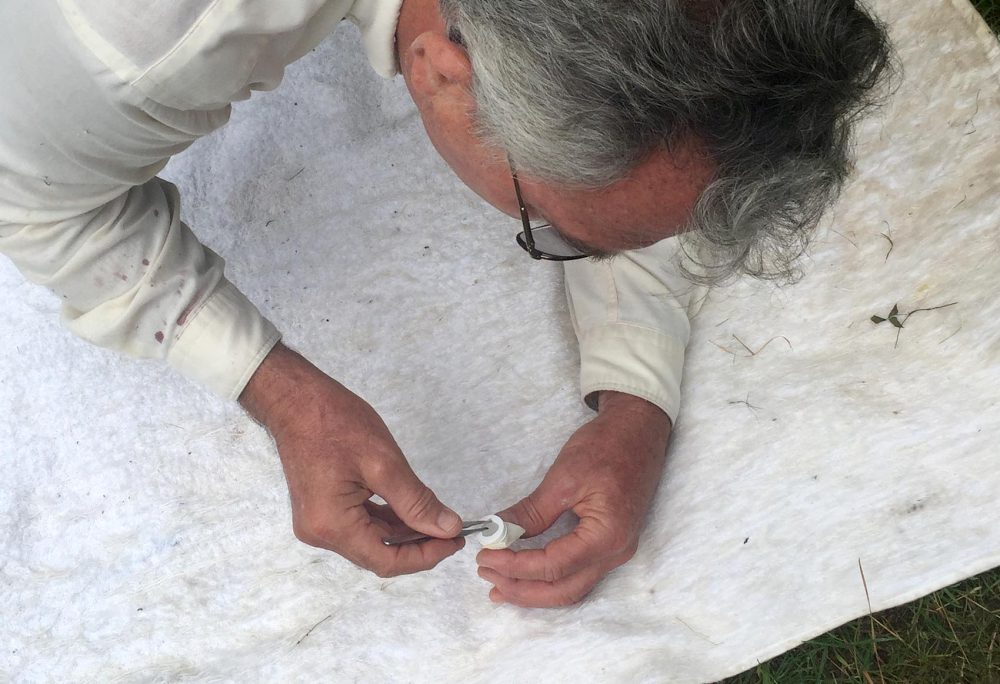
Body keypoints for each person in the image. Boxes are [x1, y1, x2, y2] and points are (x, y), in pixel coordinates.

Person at [0, 0, 891, 607]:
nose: (576, 245)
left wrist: (636, 392)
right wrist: (275, 387)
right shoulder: (132, 37)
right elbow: (33, 200)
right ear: (440, 71)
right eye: (554, 226)